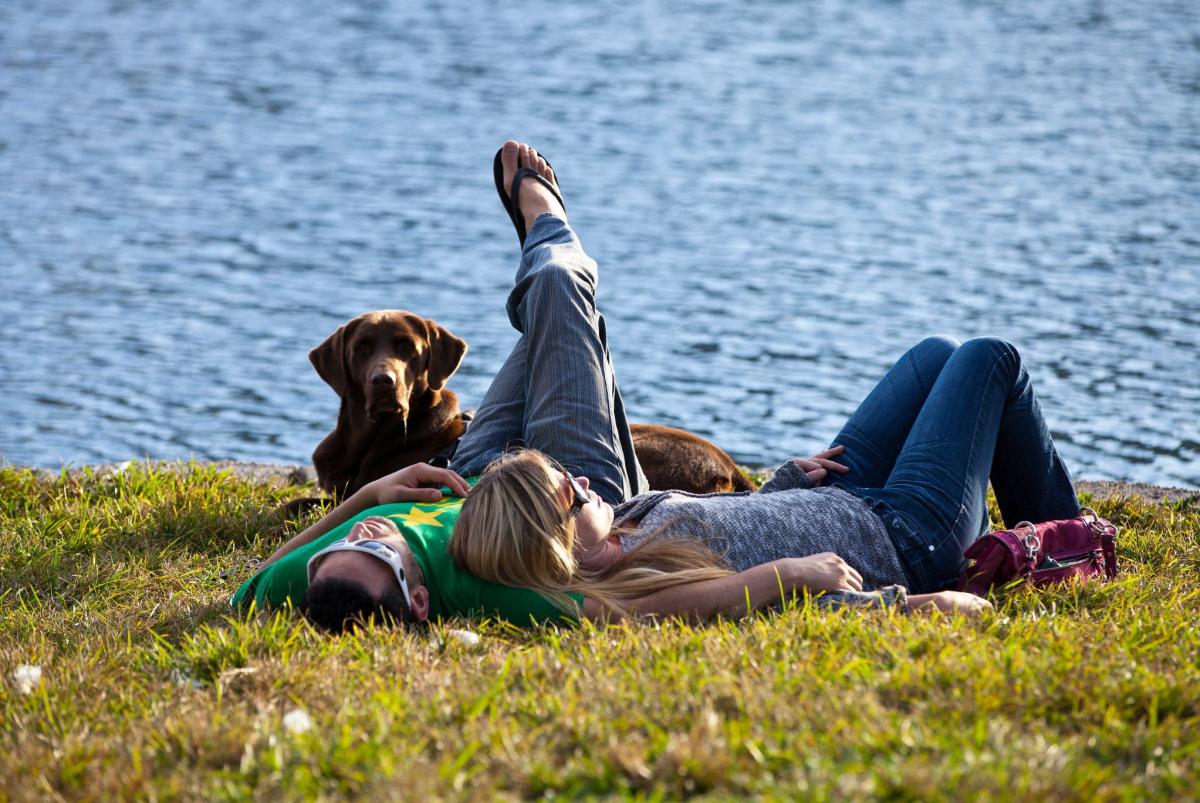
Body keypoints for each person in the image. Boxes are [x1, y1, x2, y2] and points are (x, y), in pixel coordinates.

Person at [448, 141, 1084, 621]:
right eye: (575, 495)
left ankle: (549, 269)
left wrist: (781, 484)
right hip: (907, 536)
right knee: (988, 357)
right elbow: (806, 600)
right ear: (559, 547)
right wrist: (918, 605)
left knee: (935, 352)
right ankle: (1067, 543)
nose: (587, 482)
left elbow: (724, 521)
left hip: (836, 492)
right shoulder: (640, 592)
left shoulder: (619, 524)